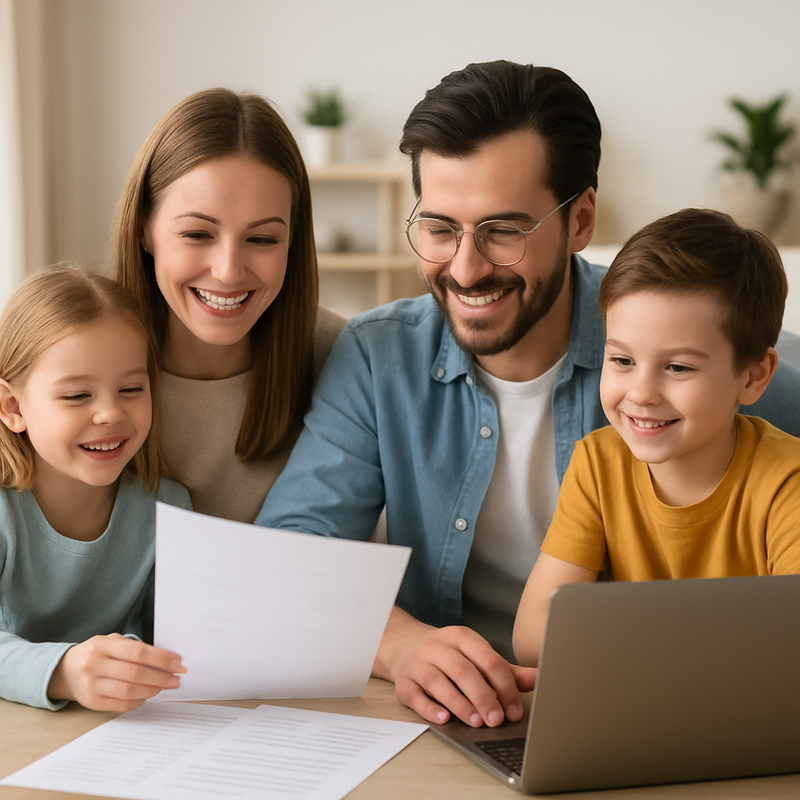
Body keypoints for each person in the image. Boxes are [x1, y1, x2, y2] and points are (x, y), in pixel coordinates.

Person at [256, 61, 800, 728]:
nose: (465, 267)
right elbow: (284, 559)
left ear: (581, 220)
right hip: (453, 721)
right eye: (439, 227)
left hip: (643, 715)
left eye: (503, 231)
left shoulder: (674, 347)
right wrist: (400, 646)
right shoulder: (379, 355)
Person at [513, 209, 800, 666]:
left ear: (753, 376)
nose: (641, 394)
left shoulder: (788, 483)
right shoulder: (597, 465)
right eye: (622, 361)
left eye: (678, 367)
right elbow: (532, 635)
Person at [113, 88, 345, 523]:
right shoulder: (69, 359)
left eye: (261, 239)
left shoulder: (345, 359)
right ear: (145, 228)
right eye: (198, 234)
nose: (228, 272)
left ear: (293, 241)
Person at [0, 265, 191, 711]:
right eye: (76, 396)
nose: (110, 413)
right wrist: (64, 671)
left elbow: (172, 639)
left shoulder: (169, 507)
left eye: (130, 388)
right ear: (12, 407)